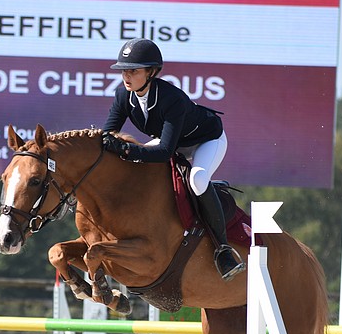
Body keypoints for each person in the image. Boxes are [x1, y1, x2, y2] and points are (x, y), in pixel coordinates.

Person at [102, 37, 245, 281]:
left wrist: (127, 151)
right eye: (124, 71)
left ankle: (223, 250)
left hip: (206, 140)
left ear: (152, 72)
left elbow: (165, 152)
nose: (126, 76)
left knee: (197, 179)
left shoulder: (171, 98)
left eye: (133, 71)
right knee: (138, 172)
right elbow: (108, 135)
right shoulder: (123, 96)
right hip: (174, 142)